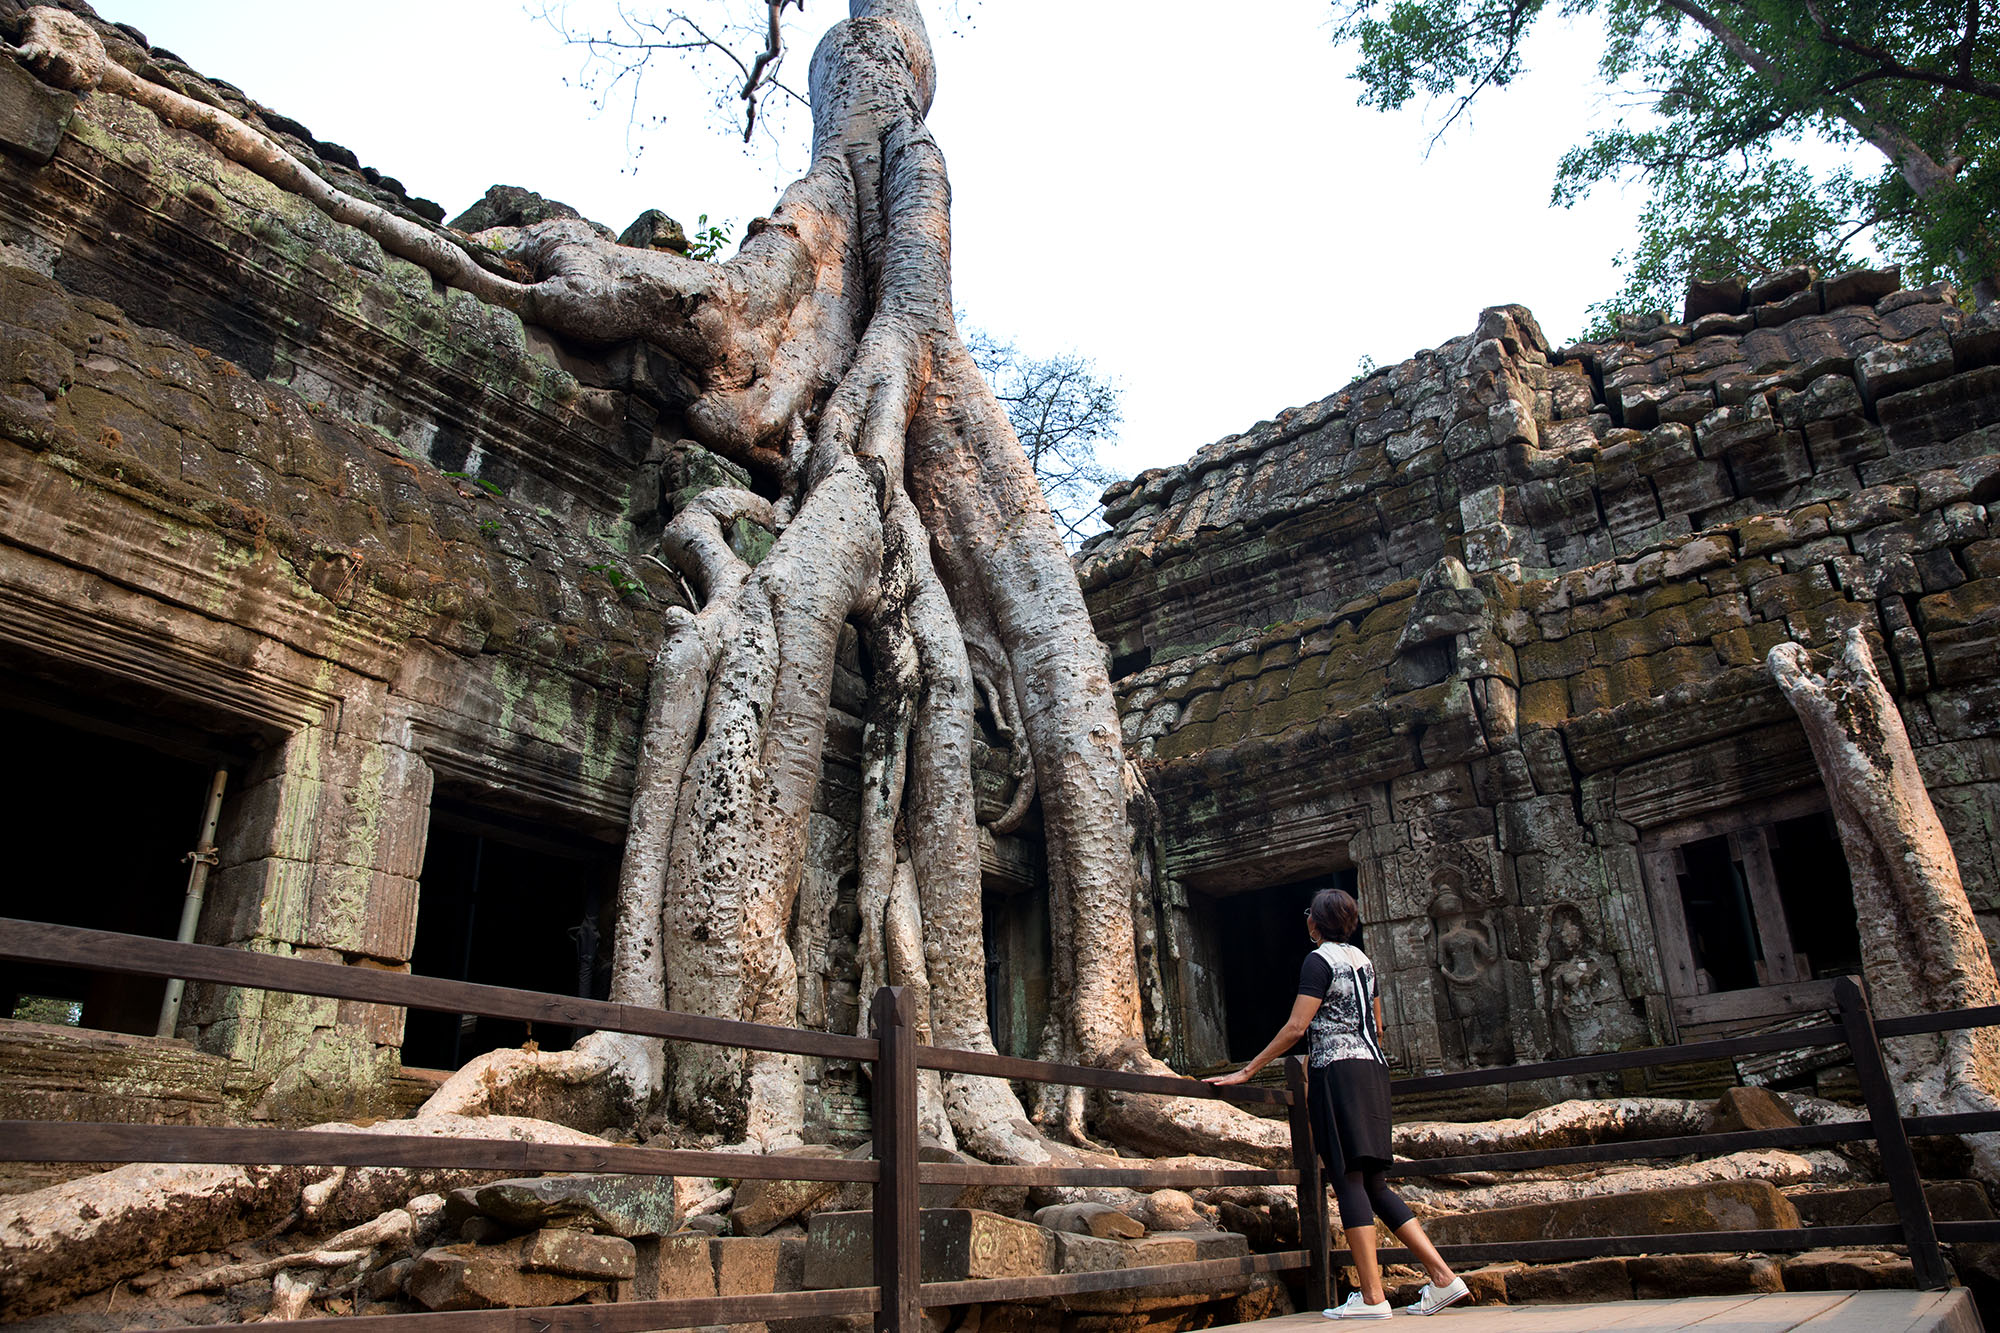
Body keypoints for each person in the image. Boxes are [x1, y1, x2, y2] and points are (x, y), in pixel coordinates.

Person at [1204, 888, 1469, 1319]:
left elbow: (1296, 1027)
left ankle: (1371, 1297)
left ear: (1315, 923)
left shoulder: (1319, 960)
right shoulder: (1364, 962)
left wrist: (1247, 1070)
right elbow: (1378, 1026)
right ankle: (1443, 1277)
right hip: (1373, 1070)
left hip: (1339, 1074)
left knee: (1346, 1178)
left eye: (1310, 915)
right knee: (1375, 1184)